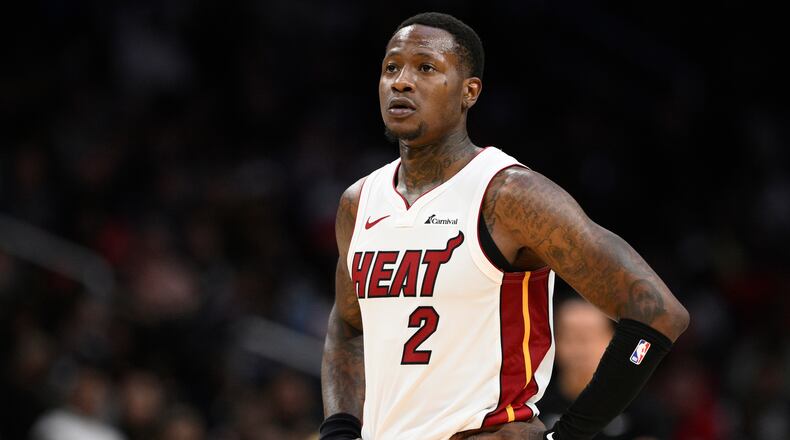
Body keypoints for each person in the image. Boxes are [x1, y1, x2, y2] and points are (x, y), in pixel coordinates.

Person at [320, 12, 689, 440]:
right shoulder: (358, 202)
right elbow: (347, 325)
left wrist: (567, 435)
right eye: (391, 67)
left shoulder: (508, 195)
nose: (401, 81)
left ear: (469, 92)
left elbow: (657, 311)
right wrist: (339, 428)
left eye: (425, 67)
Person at [539, 297, 670, 439]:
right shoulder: (535, 405)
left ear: (613, 339)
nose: (579, 349)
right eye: (570, 337)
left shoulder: (641, 409)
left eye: (588, 338)